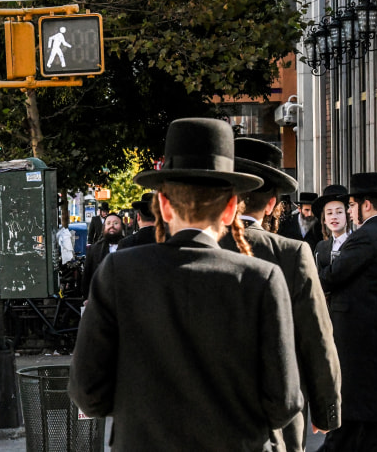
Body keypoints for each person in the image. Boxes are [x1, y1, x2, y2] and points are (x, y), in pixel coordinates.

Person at [69, 118, 302, 450]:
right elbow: (285, 402)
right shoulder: (261, 278)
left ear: (163, 205)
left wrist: (138, 412)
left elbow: (87, 392)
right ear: (231, 208)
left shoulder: (119, 272)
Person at [218, 138, 341, 451]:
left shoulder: (199, 247)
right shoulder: (292, 253)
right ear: (272, 203)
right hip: (275, 417)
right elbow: (317, 338)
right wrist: (327, 412)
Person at [318, 172, 377, 451]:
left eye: (351, 205)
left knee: (351, 417)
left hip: (359, 340)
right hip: (370, 337)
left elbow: (332, 276)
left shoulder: (367, 235)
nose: (350, 212)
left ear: (365, 205)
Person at [81, 212, 124, 300]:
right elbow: (87, 277)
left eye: (116, 223)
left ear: (122, 227)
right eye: (108, 223)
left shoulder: (130, 246)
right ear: (104, 227)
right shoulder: (94, 250)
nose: (112, 226)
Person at [312, 184, 350, 277]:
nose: (334, 217)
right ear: (324, 219)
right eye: (329, 213)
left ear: (348, 215)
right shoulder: (321, 247)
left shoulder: (358, 242)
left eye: (339, 212)